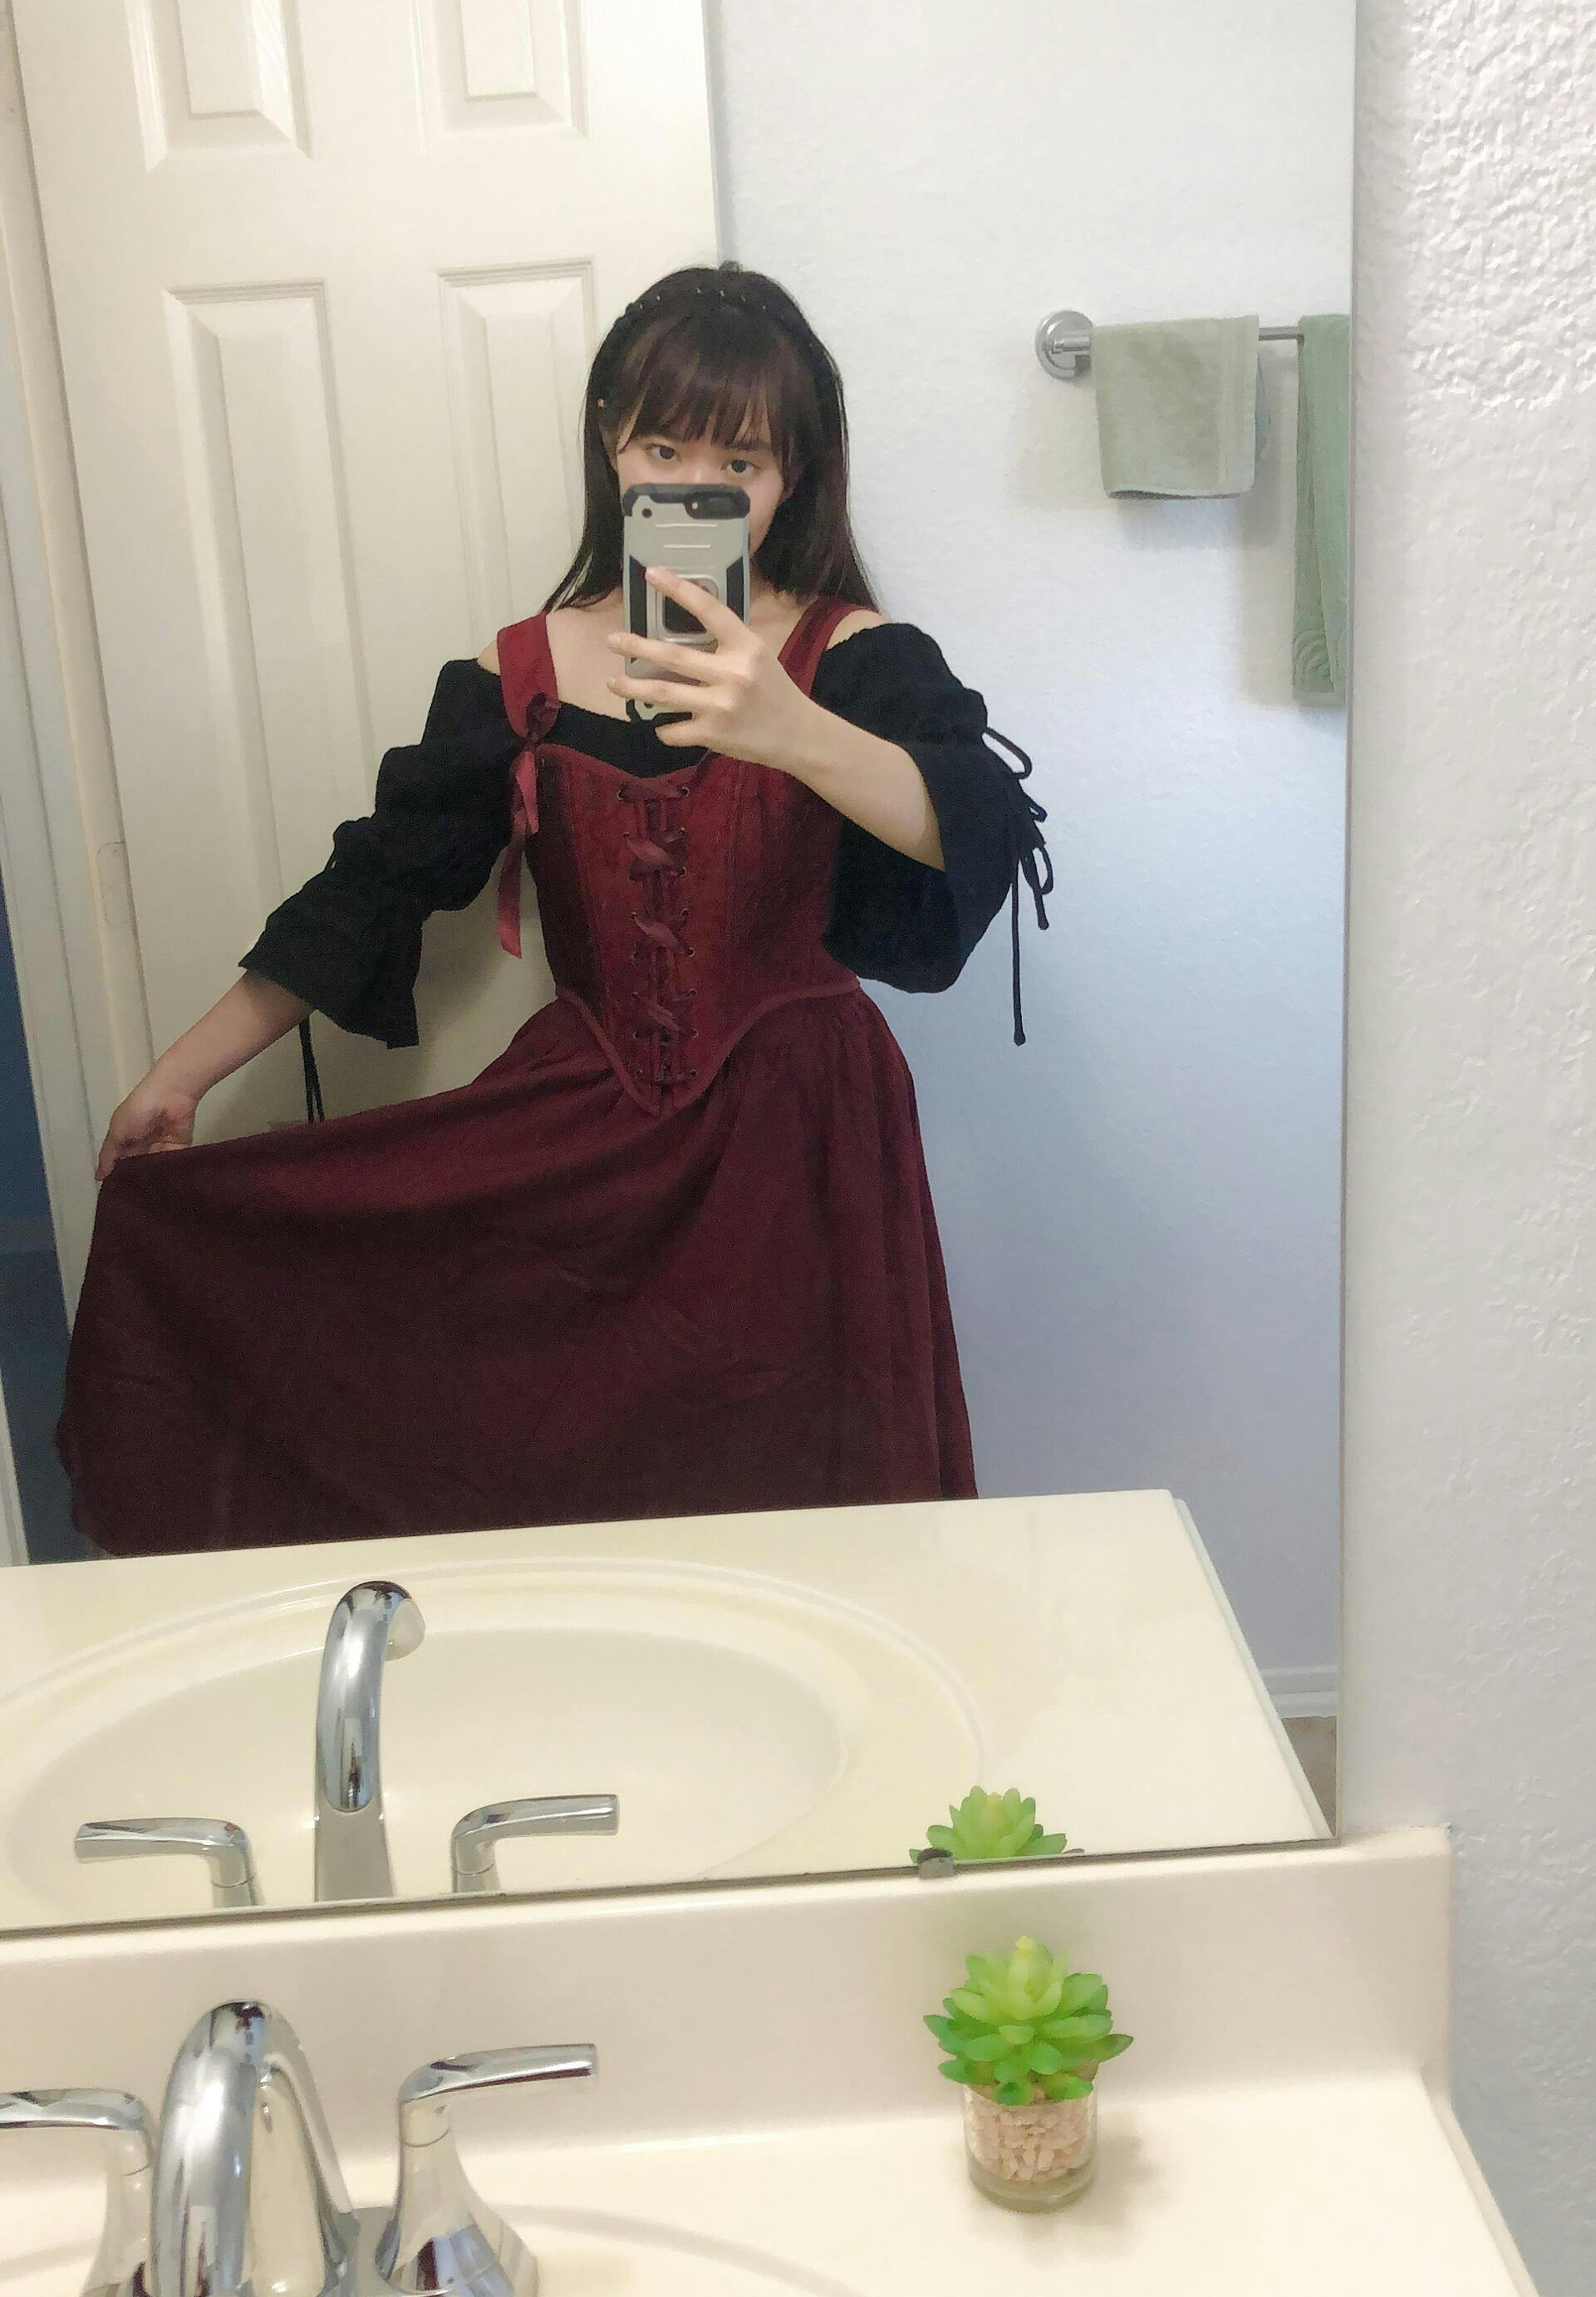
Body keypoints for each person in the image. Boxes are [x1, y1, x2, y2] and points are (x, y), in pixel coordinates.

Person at [56, 263, 1050, 1554]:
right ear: (609, 440)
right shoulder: (520, 669)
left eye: (740, 462)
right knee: (534, 1476)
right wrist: (182, 1074)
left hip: (802, 1153)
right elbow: (376, 884)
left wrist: (788, 725)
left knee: (800, 1519)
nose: (695, 484)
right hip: (583, 1136)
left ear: (792, 475)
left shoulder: (852, 654)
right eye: (663, 448)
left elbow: (980, 829)